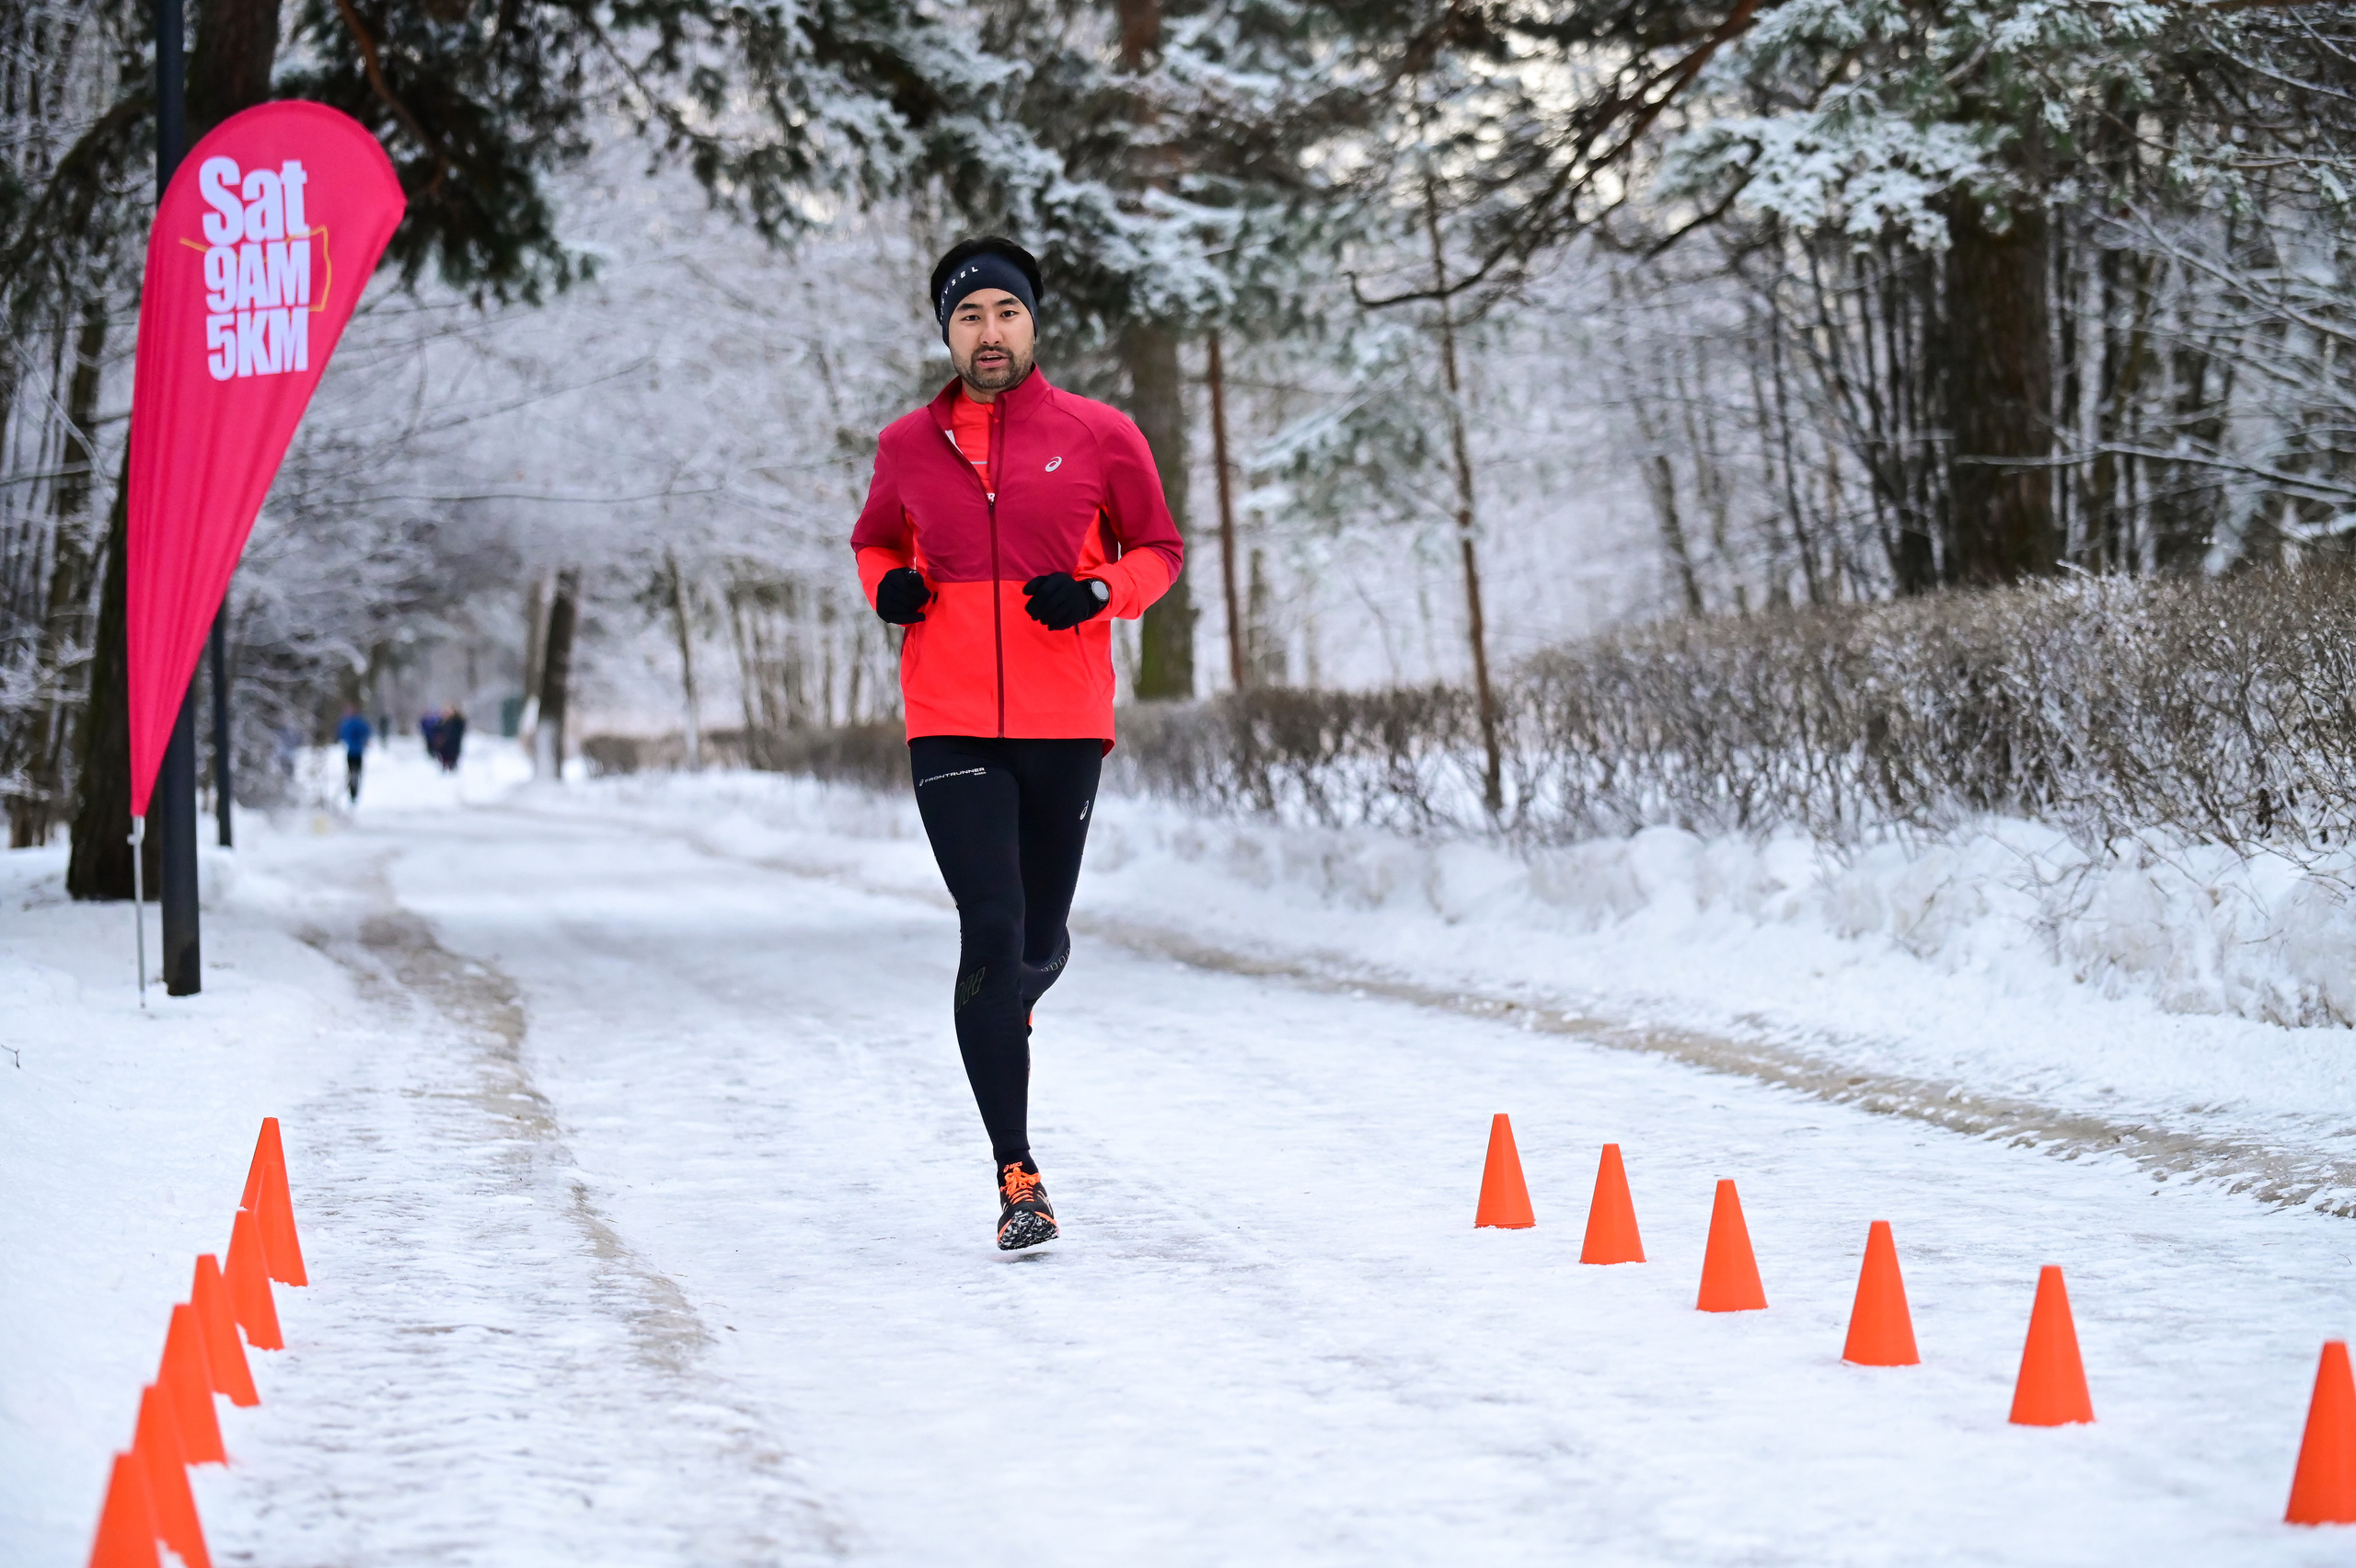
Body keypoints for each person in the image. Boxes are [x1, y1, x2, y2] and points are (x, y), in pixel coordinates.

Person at [849, 236, 1184, 1250]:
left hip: (1063, 717)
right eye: (966, 318)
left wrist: (1100, 590)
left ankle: (1022, 987)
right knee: (989, 931)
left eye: (1003, 313)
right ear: (946, 334)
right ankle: (1017, 1175)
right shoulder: (907, 444)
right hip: (947, 717)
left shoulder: (1098, 434)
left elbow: (1159, 550)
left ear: (1032, 323)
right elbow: (875, 540)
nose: (986, 334)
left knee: (1035, 943)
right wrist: (888, 588)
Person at [337, 707, 372, 802]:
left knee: (351, 771)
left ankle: (352, 791)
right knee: (357, 772)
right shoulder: (359, 722)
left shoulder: (346, 723)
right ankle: (354, 790)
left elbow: (341, 735)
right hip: (358, 751)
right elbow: (367, 732)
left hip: (351, 752)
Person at [438, 707, 468, 772]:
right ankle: (445, 765)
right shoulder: (443, 721)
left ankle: (452, 765)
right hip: (445, 742)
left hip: (455, 741)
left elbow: (461, 729)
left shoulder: (457, 721)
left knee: (453, 753)